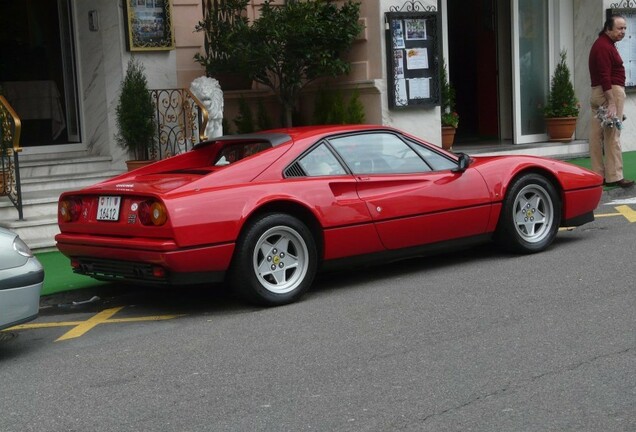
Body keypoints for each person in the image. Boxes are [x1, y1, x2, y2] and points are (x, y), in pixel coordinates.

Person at [588, 14, 634, 188]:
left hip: (600, 94)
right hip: (609, 93)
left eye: (624, 28)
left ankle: (598, 175)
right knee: (613, 135)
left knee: (596, 134)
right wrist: (612, 102)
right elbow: (604, 76)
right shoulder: (603, 47)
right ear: (608, 28)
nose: (623, 32)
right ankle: (615, 176)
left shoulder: (603, 44)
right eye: (619, 28)